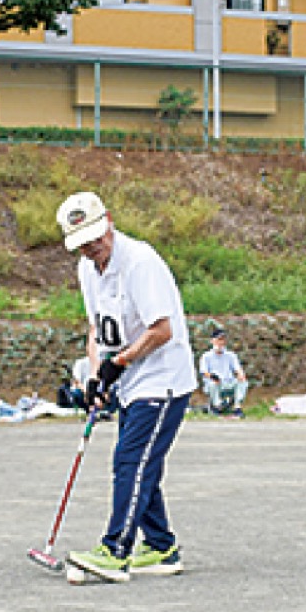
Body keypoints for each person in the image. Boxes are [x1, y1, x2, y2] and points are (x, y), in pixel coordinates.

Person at [54, 192, 197, 584]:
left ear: (110, 222)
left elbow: (162, 330)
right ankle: (161, 547)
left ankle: (116, 549)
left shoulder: (140, 263)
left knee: (130, 461)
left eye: (96, 236)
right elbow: (96, 330)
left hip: (163, 378)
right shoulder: (88, 270)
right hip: (130, 379)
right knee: (140, 462)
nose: (92, 246)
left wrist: (119, 363)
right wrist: (96, 376)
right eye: (83, 242)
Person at [199, 325, 248, 417]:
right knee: (212, 383)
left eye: (223, 340)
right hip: (215, 383)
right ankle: (218, 406)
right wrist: (212, 376)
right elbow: (204, 372)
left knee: (243, 382)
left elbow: (237, 368)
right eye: (218, 340)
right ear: (212, 341)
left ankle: (237, 407)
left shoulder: (231, 355)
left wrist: (240, 375)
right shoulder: (206, 356)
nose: (221, 343)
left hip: (228, 382)